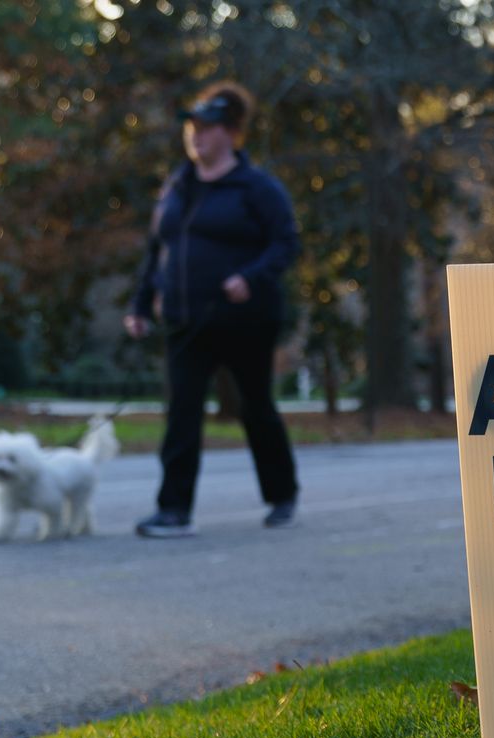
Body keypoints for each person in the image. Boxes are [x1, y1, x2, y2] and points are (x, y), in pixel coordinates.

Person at [126, 81, 300, 538]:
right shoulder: (177, 187)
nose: (196, 135)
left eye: (206, 128)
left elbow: (286, 243)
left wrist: (251, 276)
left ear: (231, 133)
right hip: (186, 319)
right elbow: (156, 249)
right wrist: (141, 304)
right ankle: (173, 510)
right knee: (182, 411)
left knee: (255, 406)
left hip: (245, 319)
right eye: (192, 127)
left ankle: (282, 494)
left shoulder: (256, 188)